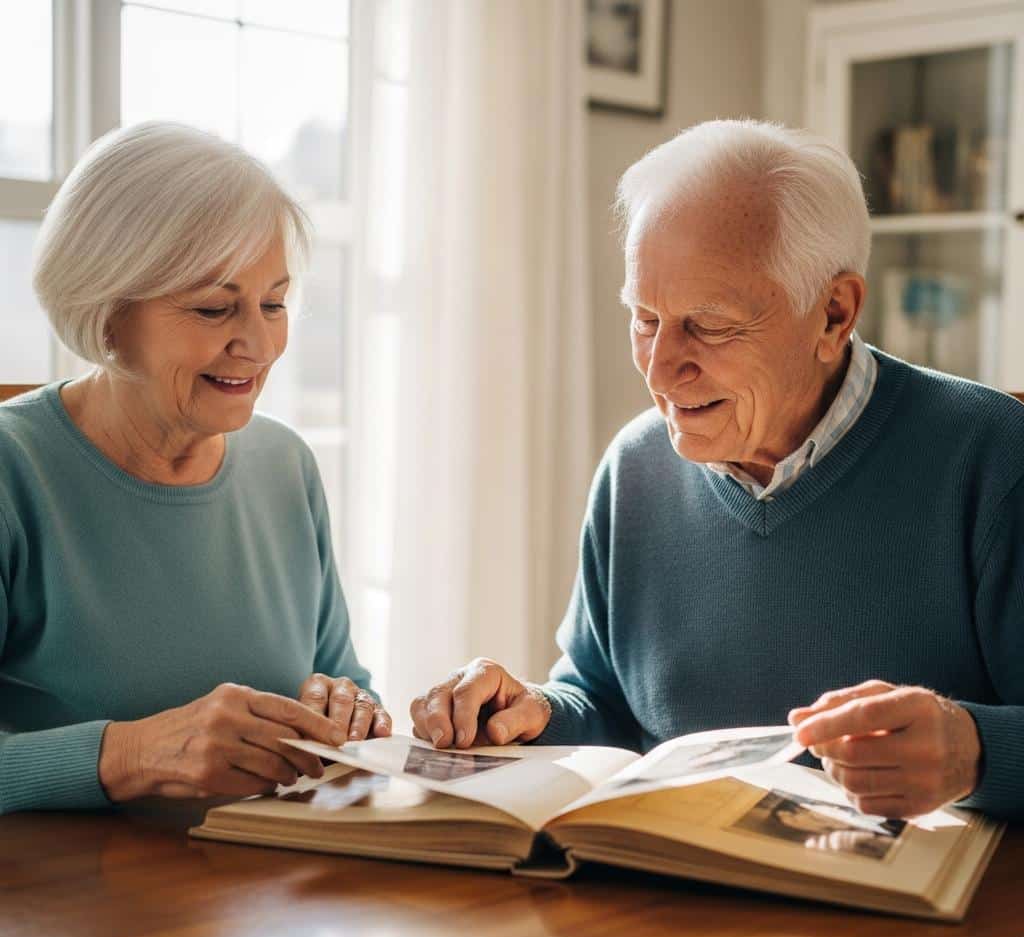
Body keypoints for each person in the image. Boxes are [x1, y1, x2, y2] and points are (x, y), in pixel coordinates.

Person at [410, 119, 1024, 822]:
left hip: (917, 922)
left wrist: (974, 750)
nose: (662, 367)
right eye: (645, 319)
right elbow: (603, 701)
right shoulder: (635, 468)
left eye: (708, 324)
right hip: (674, 908)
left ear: (833, 313)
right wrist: (528, 712)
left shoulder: (994, 457)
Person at [0, 122, 392, 814]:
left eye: (273, 302)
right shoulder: (15, 473)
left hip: (260, 900)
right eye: (214, 307)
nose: (259, 343)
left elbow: (345, 681)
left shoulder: (284, 467)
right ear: (108, 314)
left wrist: (349, 712)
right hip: (63, 909)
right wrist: (134, 753)